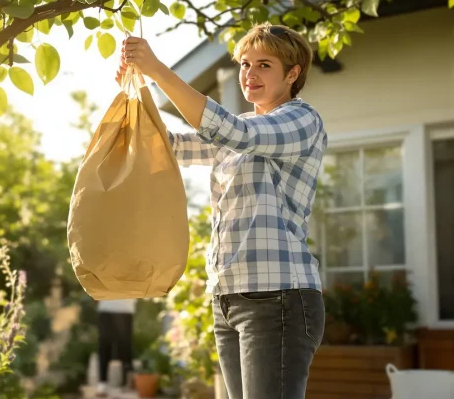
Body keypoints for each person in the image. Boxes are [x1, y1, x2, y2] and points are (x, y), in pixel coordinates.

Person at [116, 23, 327, 399]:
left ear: (292, 74)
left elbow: (232, 132)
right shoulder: (240, 126)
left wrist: (158, 69)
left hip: (277, 296)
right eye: (245, 64)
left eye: (264, 65)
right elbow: (170, 147)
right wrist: (136, 91)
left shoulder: (302, 120)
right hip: (228, 297)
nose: (250, 73)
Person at [95, 298, 135, 397]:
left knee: (124, 346)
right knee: (104, 345)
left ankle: (127, 381)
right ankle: (102, 383)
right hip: (106, 308)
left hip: (125, 308)